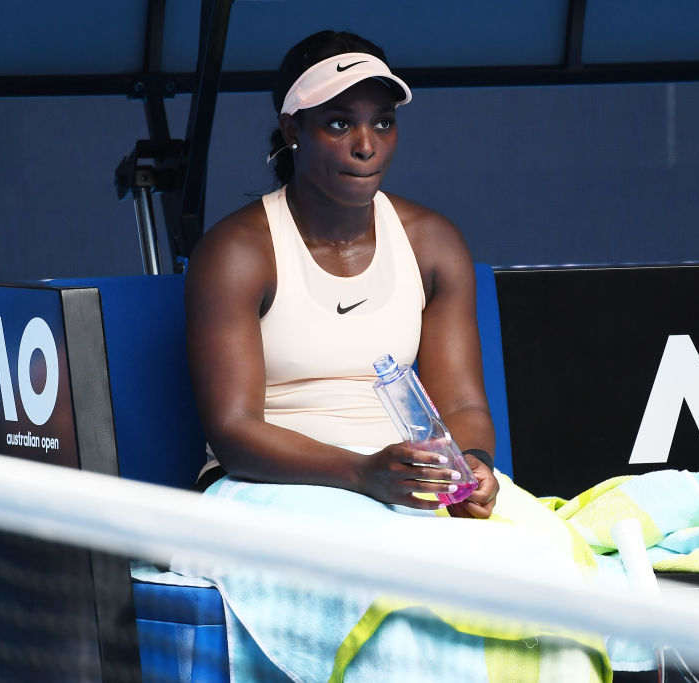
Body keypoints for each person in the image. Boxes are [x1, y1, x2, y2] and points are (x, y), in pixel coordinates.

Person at [184, 30, 500, 519]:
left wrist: (470, 466)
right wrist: (362, 473)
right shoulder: (238, 252)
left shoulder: (433, 242)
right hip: (267, 486)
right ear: (293, 131)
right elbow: (233, 430)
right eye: (338, 123)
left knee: (544, 562)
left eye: (384, 122)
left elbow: (461, 403)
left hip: (403, 482)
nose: (367, 145)